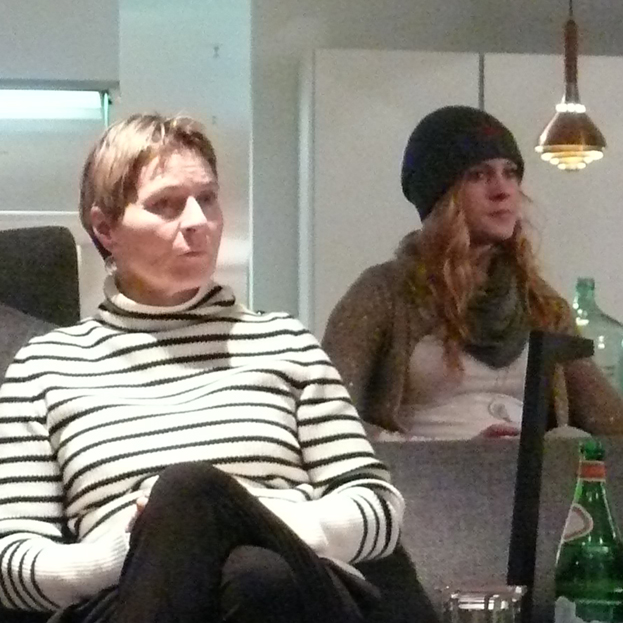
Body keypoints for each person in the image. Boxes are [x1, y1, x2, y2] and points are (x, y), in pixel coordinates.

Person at [0, 114, 434, 623]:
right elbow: (11, 563)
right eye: (165, 204)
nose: (197, 221)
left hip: (303, 590)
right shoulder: (45, 368)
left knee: (225, 530)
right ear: (105, 228)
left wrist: (245, 516)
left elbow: (378, 508)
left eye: (206, 199)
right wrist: (133, 551)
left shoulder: (284, 344)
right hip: (126, 597)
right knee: (233, 552)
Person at [322, 105, 623, 443]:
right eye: (478, 175)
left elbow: (608, 413)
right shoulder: (383, 293)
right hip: (421, 477)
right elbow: (325, 418)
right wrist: (447, 451)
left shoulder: (540, 304)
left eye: (511, 173)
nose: (502, 190)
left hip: (525, 478)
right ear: (440, 196)